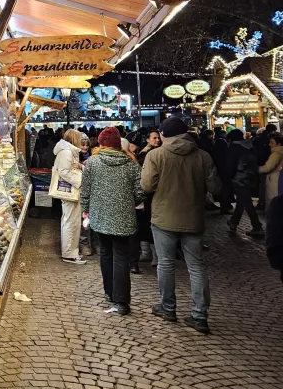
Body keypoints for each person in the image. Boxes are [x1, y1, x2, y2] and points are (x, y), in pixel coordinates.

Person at [142, 117, 221, 333]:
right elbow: (215, 187)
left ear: (164, 134)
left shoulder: (155, 155)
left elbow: (147, 186)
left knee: (165, 264)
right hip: (193, 217)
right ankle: (200, 315)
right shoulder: (203, 156)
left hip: (164, 216)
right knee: (196, 266)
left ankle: (168, 308)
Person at [80, 126, 143, 315]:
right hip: (124, 218)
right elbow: (140, 193)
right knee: (121, 256)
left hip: (100, 216)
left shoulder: (92, 163)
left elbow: (85, 191)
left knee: (106, 253)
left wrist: (86, 210)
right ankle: (121, 302)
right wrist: (129, 203)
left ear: (101, 143)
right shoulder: (132, 164)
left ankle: (109, 293)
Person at [53, 129, 86, 264]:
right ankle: (69, 253)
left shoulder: (68, 151)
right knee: (71, 222)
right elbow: (64, 172)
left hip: (72, 191)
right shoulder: (67, 152)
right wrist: (79, 180)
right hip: (71, 191)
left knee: (71, 221)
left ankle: (72, 251)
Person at [226, 128, 264, 237]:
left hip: (239, 178)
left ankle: (257, 226)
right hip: (251, 177)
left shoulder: (234, 148)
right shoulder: (251, 146)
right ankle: (233, 222)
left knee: (246, 202)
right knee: (242, 200)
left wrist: (230, 177)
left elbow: (231, 165)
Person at [132, 129, 162, 269]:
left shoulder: (156, 153)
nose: (157, 140)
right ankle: (147, 252)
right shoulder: (143, 153)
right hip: (146, 193)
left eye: (158, 138)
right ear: (148, 139)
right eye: (154, 138)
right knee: (145, 223)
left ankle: (154, 254)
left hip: (155, 193)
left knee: (152, 223)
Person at [254, 124, 278, 209]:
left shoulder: (258, 139)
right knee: (269, 185)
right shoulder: (272, 139)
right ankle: (268, 203)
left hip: (260, 163)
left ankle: (262, 203)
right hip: (268, 164)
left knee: (262, 185)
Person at [258, 132, 283, 208]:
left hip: (275, 180)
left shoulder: (276, 154)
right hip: (278, 179)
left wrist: (256, 169)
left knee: (273, 201)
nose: (269, 144)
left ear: (279, 144)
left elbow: (267, 168)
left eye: (272, 143)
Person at [212, 129, 232, 213]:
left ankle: (224, 206)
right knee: (225, 189)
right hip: (224, 169)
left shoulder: (216, 142)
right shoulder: (223, 142)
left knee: (222, 188)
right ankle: (225, 207)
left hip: (219, 169)